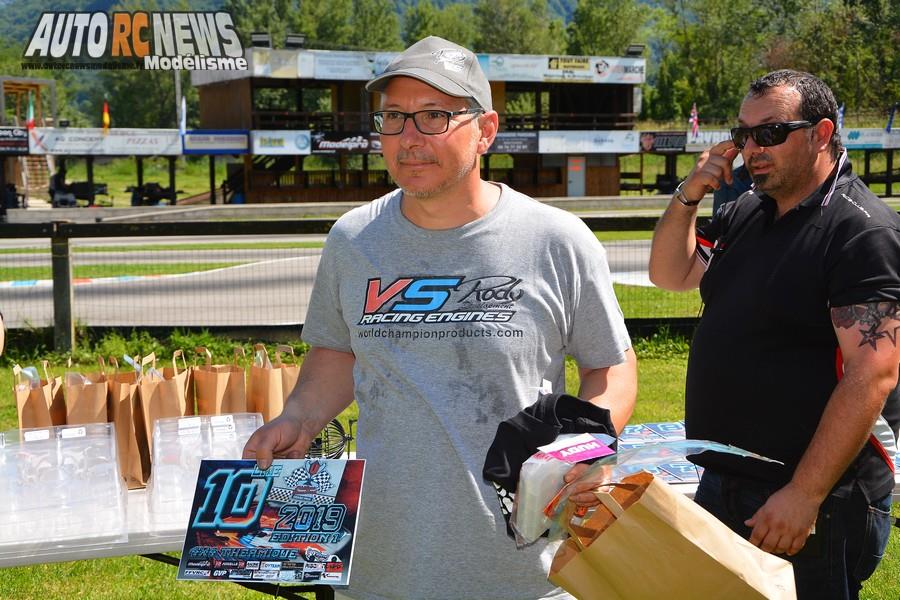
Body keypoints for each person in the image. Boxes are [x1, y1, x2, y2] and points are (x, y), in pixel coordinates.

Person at [243, 36, 637, 600]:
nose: (410, 138)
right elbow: (336, 353)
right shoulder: (353, 240)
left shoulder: (556, 240)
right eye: (395, 118)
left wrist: (586, 444)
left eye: (434, 116)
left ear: (486, 131)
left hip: (522, 572)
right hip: (381, 568)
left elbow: (613, 369)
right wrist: (300, 420)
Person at [648, 69, 900, 599]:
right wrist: (689, 193)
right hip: (724, 479)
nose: (751, 150)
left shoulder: (861, 231)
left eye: (770, 133)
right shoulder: (746, 211)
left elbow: (874, 371)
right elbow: (669, 274)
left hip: (816, 496)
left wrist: (804, 495)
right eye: (742, 135)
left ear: (822, 133)